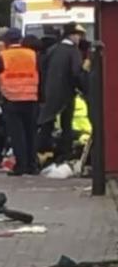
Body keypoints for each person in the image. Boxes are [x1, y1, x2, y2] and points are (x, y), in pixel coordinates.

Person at [0, 28, 40, 176]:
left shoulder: (3, 56)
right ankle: (32, 165)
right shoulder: (32, 55)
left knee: (17, 135)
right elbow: (42, 74)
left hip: (11, 99)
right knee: (31, 133)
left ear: (6, 42)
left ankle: (21, 166)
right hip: (31, 98)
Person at [37, 22, 87, 166]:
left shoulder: (53, 49)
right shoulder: (73, 52)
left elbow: (42, 69)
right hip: (66, 93)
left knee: (47, 122)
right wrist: (84, 89)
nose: (79, 38)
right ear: (71, 35)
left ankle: (40, 150)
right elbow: (76, 74)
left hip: (49, 91)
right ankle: (64, 154)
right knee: (66, 125)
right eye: (78, 35)